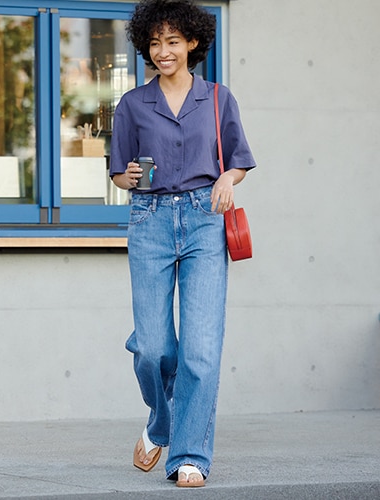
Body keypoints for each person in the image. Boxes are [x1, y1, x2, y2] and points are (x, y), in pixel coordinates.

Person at [109, 0, 256, 488]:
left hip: (203, 221)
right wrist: (127, 177)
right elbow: (119, 171)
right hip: (148, 219)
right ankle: (160, 422)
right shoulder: (132, 104)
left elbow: (237, 158)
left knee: (201, 350)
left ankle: (189, 456)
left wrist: (229, 179)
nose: (163, 50)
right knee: (152, 348)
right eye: (155, 42)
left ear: (193, 42)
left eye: (172, 41)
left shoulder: (218, 99)